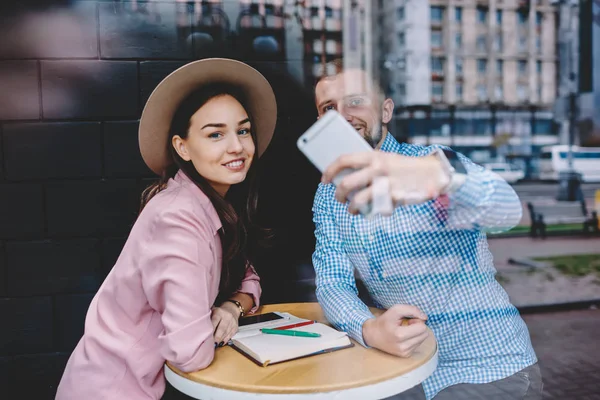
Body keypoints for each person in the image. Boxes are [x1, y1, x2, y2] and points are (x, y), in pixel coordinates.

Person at [311, 60, 542, 399]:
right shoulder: (328, 194)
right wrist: (369, 329)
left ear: (386, 110)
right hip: (405, 370)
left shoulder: (434, 160)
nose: (342, 114)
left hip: (488, 366)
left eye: (355, 100)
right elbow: (333, 283)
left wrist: (436, 176)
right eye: (328, 107)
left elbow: (508, 209)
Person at [56, 58, 278, 400]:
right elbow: (190, 353)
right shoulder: (178, 219)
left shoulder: (208, 205)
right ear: (182, 147)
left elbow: (247, 276)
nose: (237, 145)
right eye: (216, 134)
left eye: (243, 130)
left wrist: (232, 307)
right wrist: (213, 322)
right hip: (114, 390)